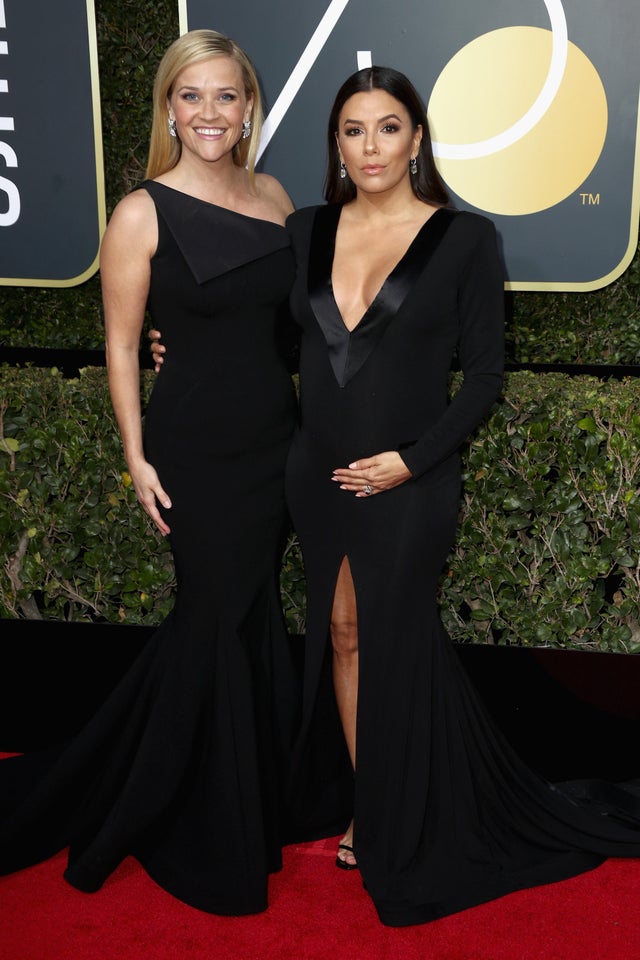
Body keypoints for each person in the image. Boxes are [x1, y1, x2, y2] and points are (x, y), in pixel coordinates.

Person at [151, 64, 640, 928]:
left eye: (387, 128)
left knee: (395, 639)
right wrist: (171, 342)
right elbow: (255, 327)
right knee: (340, 634)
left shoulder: (465, 239)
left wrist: (412, 462)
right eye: (353, 130)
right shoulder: (304, 229)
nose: (370, 147)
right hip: (314, 474)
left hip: (412, 479)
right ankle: (368, 804)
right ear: (335, 145)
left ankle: (410, 812)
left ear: (416, 139)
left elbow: (484, 378)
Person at [0, 28, 303, 916]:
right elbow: (123, 344)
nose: (209, 112)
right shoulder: (141, 212)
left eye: (225, 95)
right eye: (191, 96)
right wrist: (136, 455)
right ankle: (193, 815)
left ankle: (246, 794)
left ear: (248, 107)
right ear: (169, 109)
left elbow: (283, 324)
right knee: (212, 614)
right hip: (194, 448)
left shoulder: (276, 196)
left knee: (247, 613)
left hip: (274, 439)